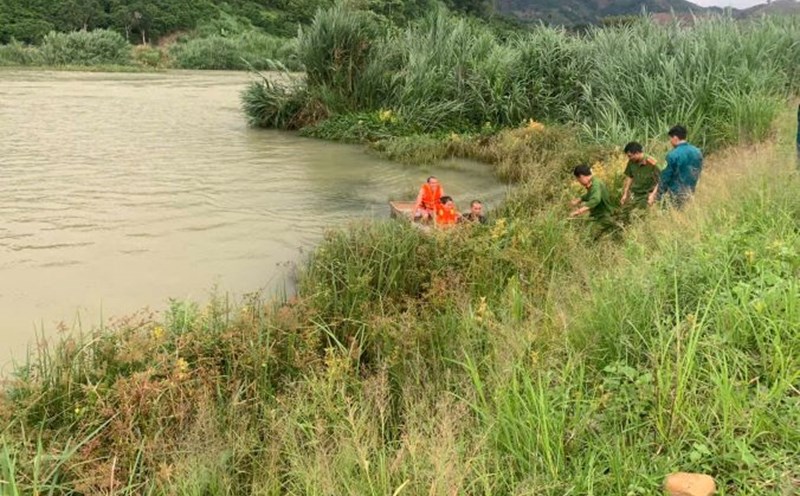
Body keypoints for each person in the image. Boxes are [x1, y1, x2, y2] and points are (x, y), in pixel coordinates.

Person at [650, 125, 703, 208]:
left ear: (675, 137)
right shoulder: (697, 152)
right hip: (691, 192)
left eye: (670, 138)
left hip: (675, 195)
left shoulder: (672, 155)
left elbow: (665, 178)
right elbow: (698, 171)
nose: (670, 141)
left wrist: (658, 197)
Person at [569, 164, 616, 237]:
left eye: (578, 180)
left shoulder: (595, 184)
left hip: (604, 217)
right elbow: (591, 195)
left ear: (581, 176)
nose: (579, 183)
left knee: (587, 237)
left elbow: (595, 199)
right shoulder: (593, 182)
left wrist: (578, 212)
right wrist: (579, 199)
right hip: (599, 217)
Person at [620, 141, 660, 210]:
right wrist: (625, 193)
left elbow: (661, 180)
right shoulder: (631, 162)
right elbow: (630, 177)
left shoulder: (651, 162)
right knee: (625, 212)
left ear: (637, 153)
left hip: (647, 195)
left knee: (639, 215)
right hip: (635, 194)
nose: (629, 158)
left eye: (630, 156)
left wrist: (653, 195)